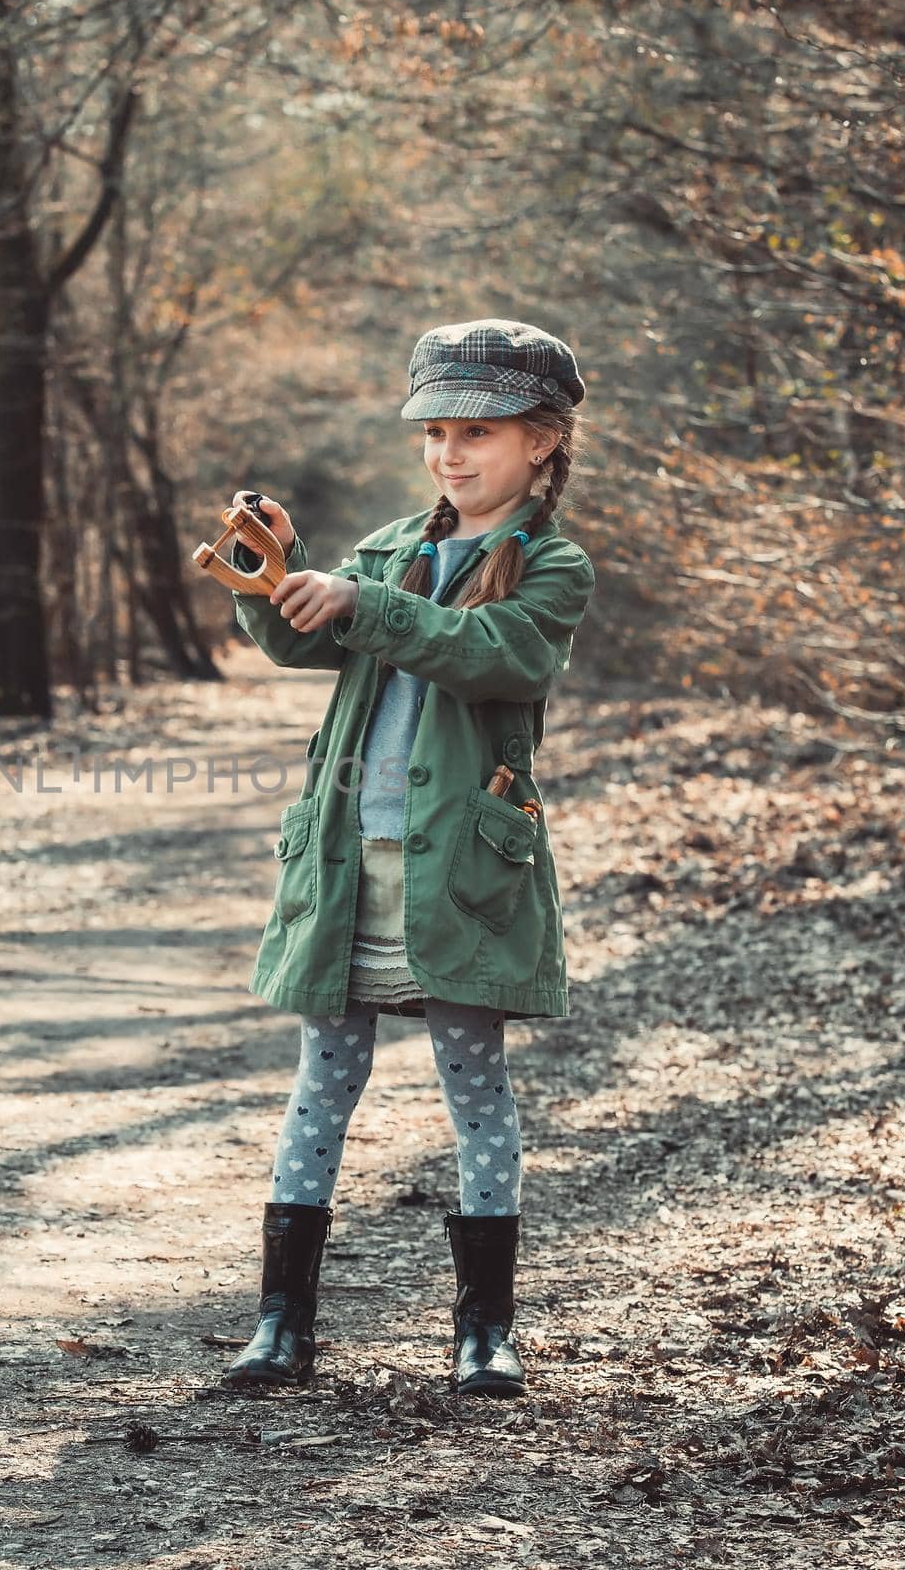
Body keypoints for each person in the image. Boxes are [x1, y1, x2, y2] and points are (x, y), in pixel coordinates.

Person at [218, 319, 597, 1399]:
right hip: (348, 862)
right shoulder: (392, 546)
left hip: (462, 875)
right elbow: (305, 639)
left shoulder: (552, 567)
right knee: (320, 1085)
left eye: (476, 430)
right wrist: (272, 575)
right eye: (435, 429)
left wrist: (368, 600)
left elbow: (490, 654)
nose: (449, 452)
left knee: (476, 1088)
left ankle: (485, 1331)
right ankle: (281, 1323)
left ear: (541, 442)